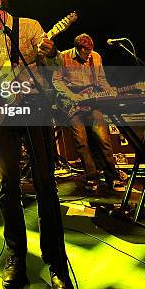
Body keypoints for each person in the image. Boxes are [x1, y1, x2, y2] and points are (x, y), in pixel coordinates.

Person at [0, 0, 72, 289]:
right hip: (3, 114)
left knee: (45, 185)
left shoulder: (28, 27)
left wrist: (51, 53)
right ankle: (15, 256)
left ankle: (55, 261)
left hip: (35, 107)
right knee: (7, 186)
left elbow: (54, 67)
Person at [52, 33, 127, 191]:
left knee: (104, 140)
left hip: (92, 103)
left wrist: (109, 91)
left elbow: (101, 80)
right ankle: (92, 178)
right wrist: (73, 96)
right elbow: (56, 81)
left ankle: (111, 177)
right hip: (72, 104)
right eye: (85, 53)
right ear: (77, 49)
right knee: (82, 142)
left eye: (90, 52)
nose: (88, 57)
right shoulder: (63, 57)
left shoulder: (96, 57)